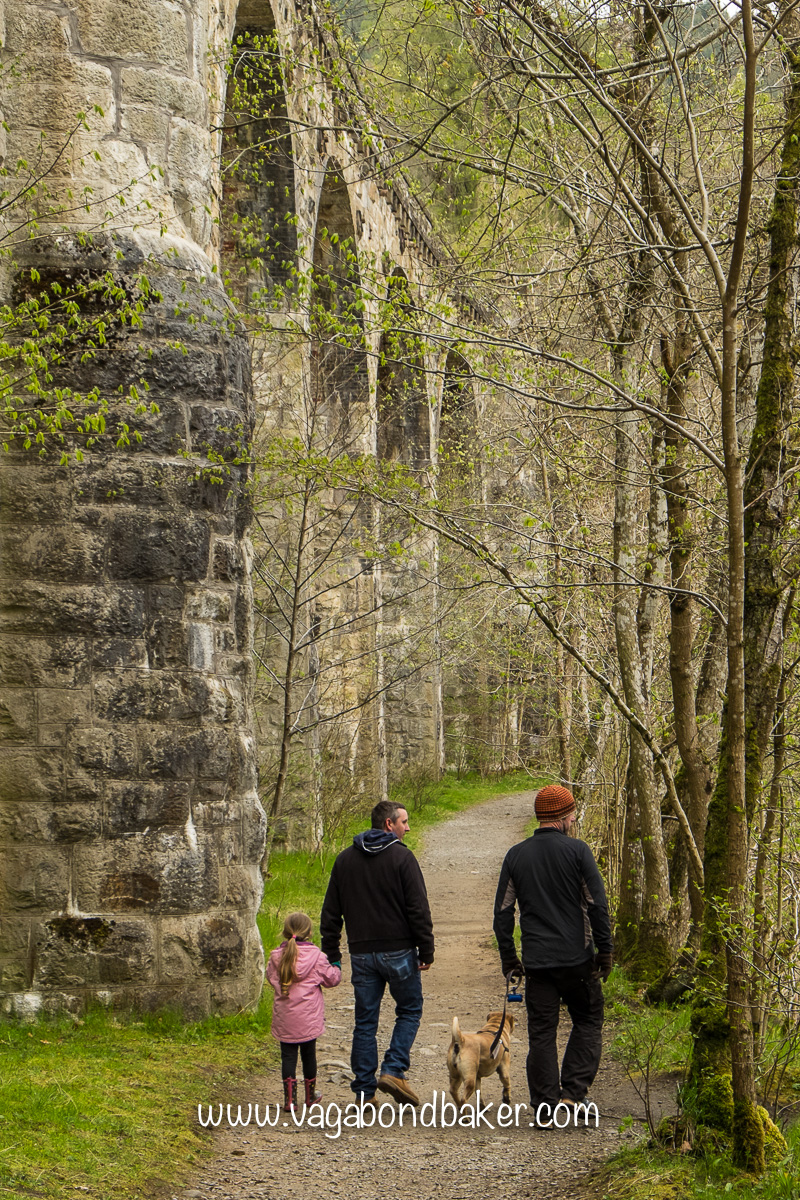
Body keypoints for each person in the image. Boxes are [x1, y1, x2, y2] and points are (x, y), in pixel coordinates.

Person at [493, 784, 613, 1128]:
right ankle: (572, 1094)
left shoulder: (516, 856)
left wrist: (509, 958)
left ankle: (545, 1108)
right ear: (562, 817)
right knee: (588, 1020)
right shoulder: (578, 852)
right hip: (577, 960)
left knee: (542, 1033)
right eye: (572, 814)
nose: (574, 819)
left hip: (538, 963)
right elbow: (597, 905)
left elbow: (503, 913)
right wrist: (605, 950)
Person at [320, 800, 434, 1107]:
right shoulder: (402, 857)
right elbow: (418, 908)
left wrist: (331, 953)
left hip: (361, 955)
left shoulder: (345, 860)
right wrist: (426, 949)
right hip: (398, 951)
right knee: (410, 1010)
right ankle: (394, 1069)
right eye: (404, 822)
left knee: (365, 1021)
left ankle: (364, 1091)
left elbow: (330, 912)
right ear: (389, 824)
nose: (407, 827)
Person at [266, 911, 342, 1112]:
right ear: (309, 933)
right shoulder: (317, 957)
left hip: (285, 1018)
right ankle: (310, 1096)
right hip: (308, 1019)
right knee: (309, 1056)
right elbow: (331, 980)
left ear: (285, 932)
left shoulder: (276, 957)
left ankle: (290, 1100)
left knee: (288, 1057)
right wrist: (336, 966)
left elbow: (270, 978)